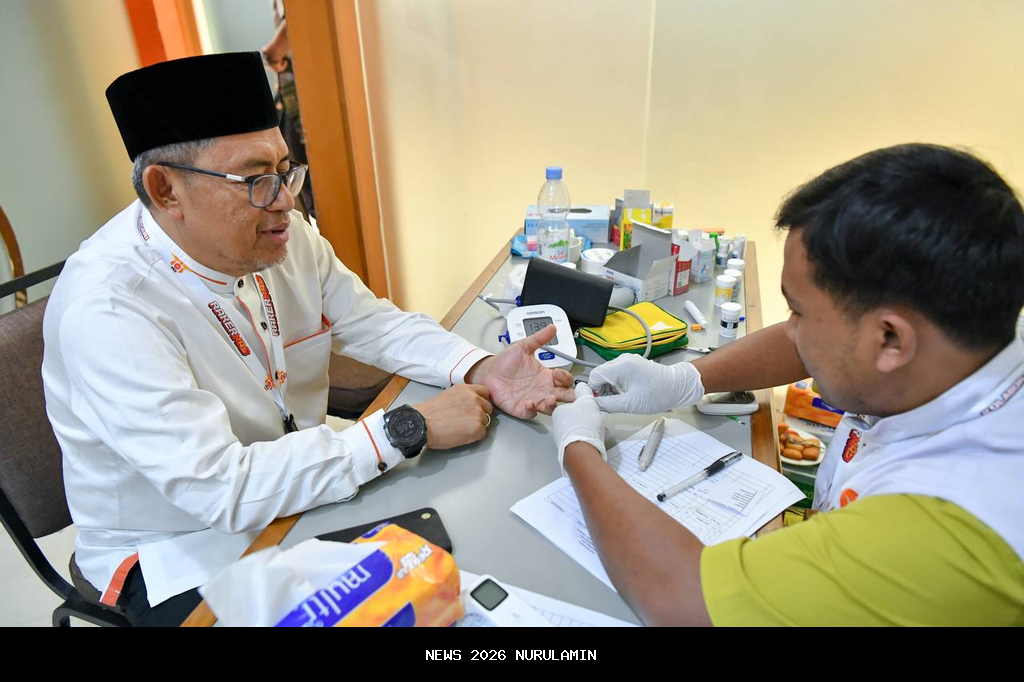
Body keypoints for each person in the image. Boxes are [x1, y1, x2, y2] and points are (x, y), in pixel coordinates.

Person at [41, 52, 573, 626]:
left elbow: (372, 322)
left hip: (290, 497)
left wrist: (479, 366)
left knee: (466, 569)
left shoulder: (279, 232)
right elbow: (219, 489)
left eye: (285, 170)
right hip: (174, 550)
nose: (285, 202)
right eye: (255, 180)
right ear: (165, 189)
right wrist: (404, 428)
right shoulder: (109, 308)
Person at [551, 143, 1024, 626]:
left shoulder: (943, 526)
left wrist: (580, 449)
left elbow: (684, 600)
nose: (791, 331)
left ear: (890, 339)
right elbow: (820, 340)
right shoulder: (969, 343)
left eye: (798, 312)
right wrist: (687, 379)